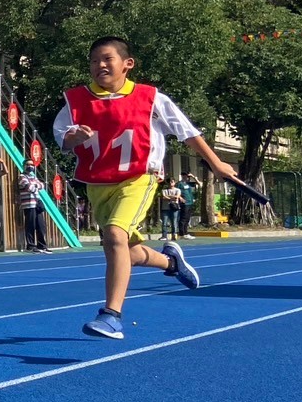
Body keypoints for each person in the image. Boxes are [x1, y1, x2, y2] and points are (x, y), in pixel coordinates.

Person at [54, 36, 238, 340]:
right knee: (126, 250)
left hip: (140, 176)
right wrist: (73, 139)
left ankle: (111, 315)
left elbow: (187, 132)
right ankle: (171, 262)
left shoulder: (151, 98)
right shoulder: (76, 101)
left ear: (127, 64)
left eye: (107, 58)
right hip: (98, 182)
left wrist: (216, 163)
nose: (100, 65)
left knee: (115, 236)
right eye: (94, 60)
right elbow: (62, 137)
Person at [17, 162, 50, 253]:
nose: (30, 166)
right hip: (28, 204)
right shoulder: (21, 177)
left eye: (32, 165)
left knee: (41, 225)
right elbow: (29, 188)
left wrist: (35, 186)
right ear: (24, 166)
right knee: (30, 225)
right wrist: (36, 186)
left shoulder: (33, 177)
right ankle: (30, 246)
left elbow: (42, 185)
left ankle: (42, 245)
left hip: (37, 204)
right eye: (28, 164)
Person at [177, 171, 199, 238]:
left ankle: (186, 233)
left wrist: (193, 177)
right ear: (182, 176)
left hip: (190, 202)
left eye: (188, 176)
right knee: (183, 218)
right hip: (184, 203)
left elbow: (199, 184)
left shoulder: (188, 183)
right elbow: (176, 191)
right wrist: (180, 198)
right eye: (186, 176)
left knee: (187, 218)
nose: (187, 177)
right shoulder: (180, 184)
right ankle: (182, 233)